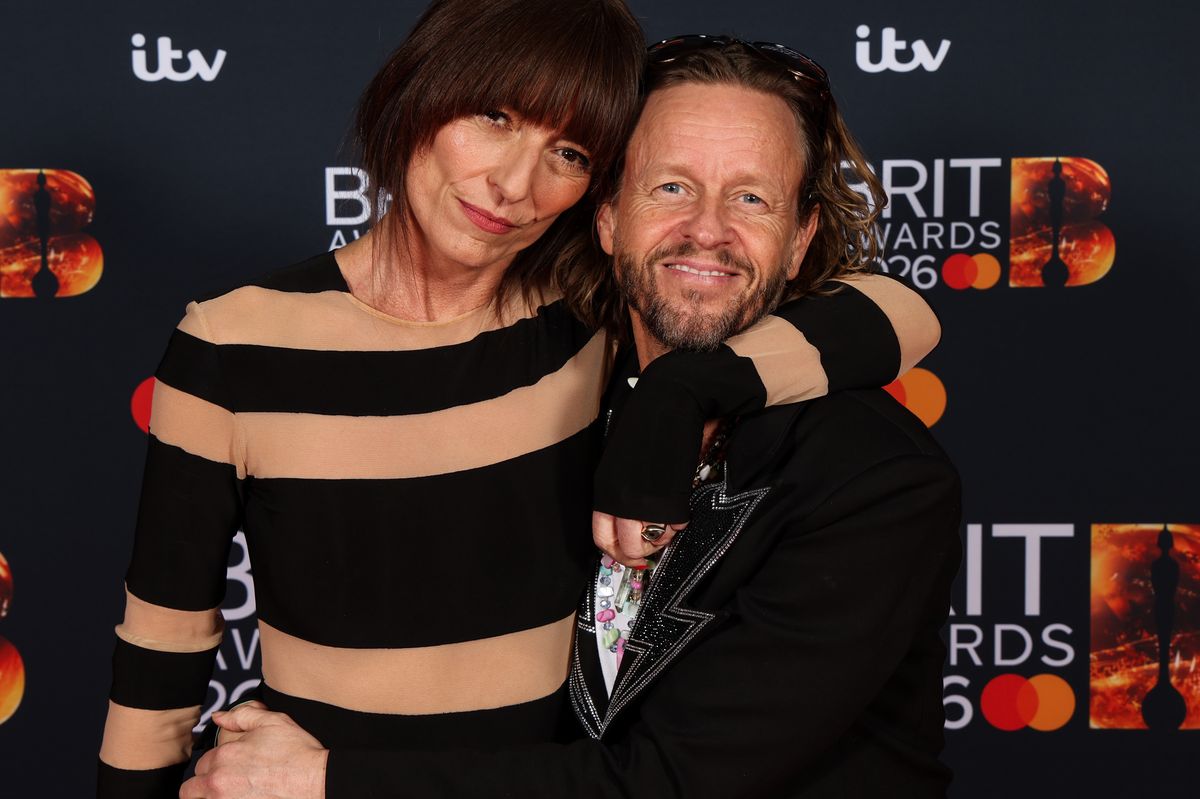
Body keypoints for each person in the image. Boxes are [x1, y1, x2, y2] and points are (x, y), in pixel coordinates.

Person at [100, 3, 940, 796]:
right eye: (493, 117)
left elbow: (898, 311)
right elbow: (158, 666)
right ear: (418, 94)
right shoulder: (232, 346)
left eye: (569, 153)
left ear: (593, 196)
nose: (512, 184)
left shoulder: (579, 323)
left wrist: (680, 393)